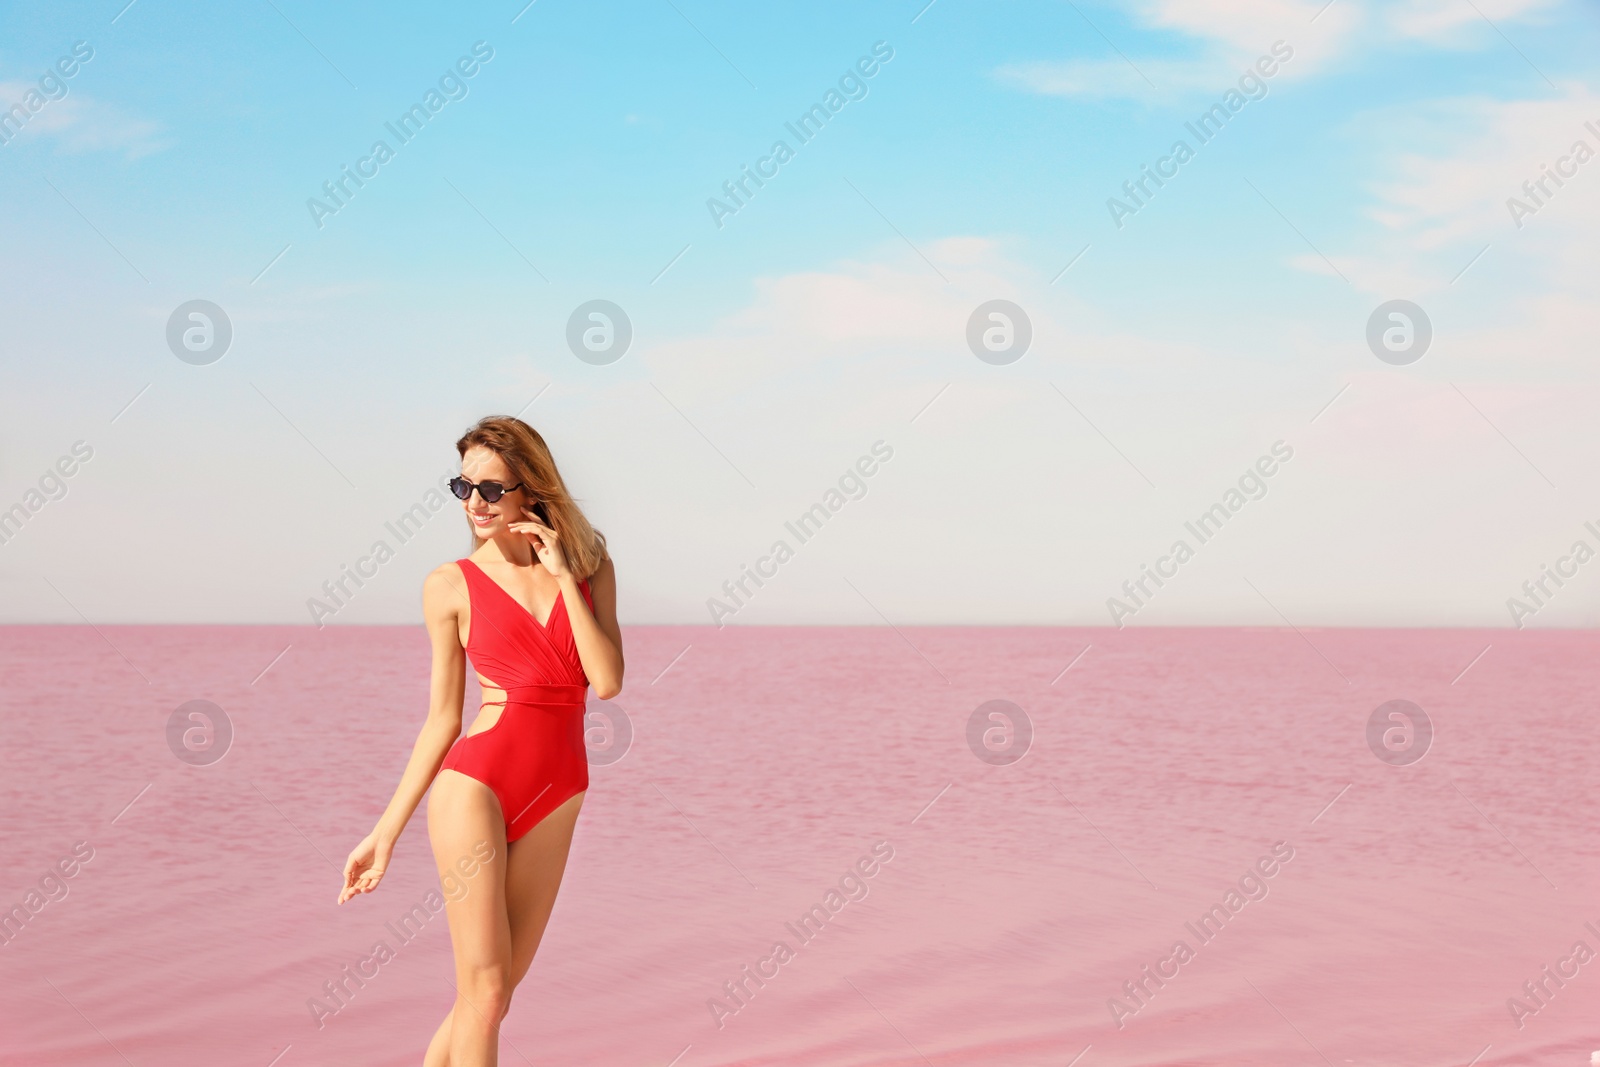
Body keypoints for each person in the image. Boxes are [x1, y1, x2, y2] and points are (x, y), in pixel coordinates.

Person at [337, 415, 623, 1065]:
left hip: (561, 791)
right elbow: (442, 719)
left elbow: (605, 679)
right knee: (485, 990)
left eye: (491, 489)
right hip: (476, 785)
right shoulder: (449, 585)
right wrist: (384, 834)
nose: (475, 504)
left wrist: (561, 574)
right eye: (463, 488)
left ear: (530, 487)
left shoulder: (589, 568)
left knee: (490, 996)